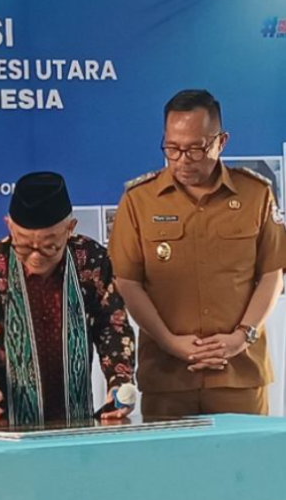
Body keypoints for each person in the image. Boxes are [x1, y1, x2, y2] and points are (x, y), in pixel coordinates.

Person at [109, 89, 286, 417]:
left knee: (244, 453)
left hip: (239, 373)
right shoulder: (139, 201)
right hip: (168, 376)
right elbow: (128, 282)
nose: (182, 160)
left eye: (195, 148)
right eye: (172, 148)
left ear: (221, 141)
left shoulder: (256, 194)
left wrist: (242, 337)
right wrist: (169, 342)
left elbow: (272, 274)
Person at [0, 171, 135, 426]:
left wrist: (119, 381)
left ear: (70, 229)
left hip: (73, 419)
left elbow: (113, 326)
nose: (35, 257)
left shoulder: (90, 261)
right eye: (23, 245)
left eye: (49, 246)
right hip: (2, 424)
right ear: (9, 226)